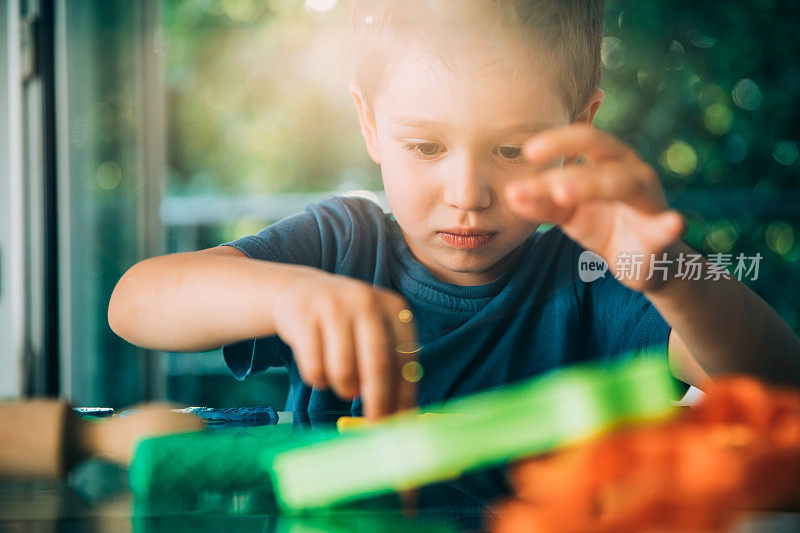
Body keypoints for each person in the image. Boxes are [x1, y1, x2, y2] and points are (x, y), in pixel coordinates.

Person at [108, 0, 800, 424]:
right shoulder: (339, 248)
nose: (467, 191)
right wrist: (289, 293)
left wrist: (668, 272)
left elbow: (776, 383)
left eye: (510, 147)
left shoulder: (593, 279)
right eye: (426, 145)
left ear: (578, 126)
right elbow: (134, 302)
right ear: (370, 124)